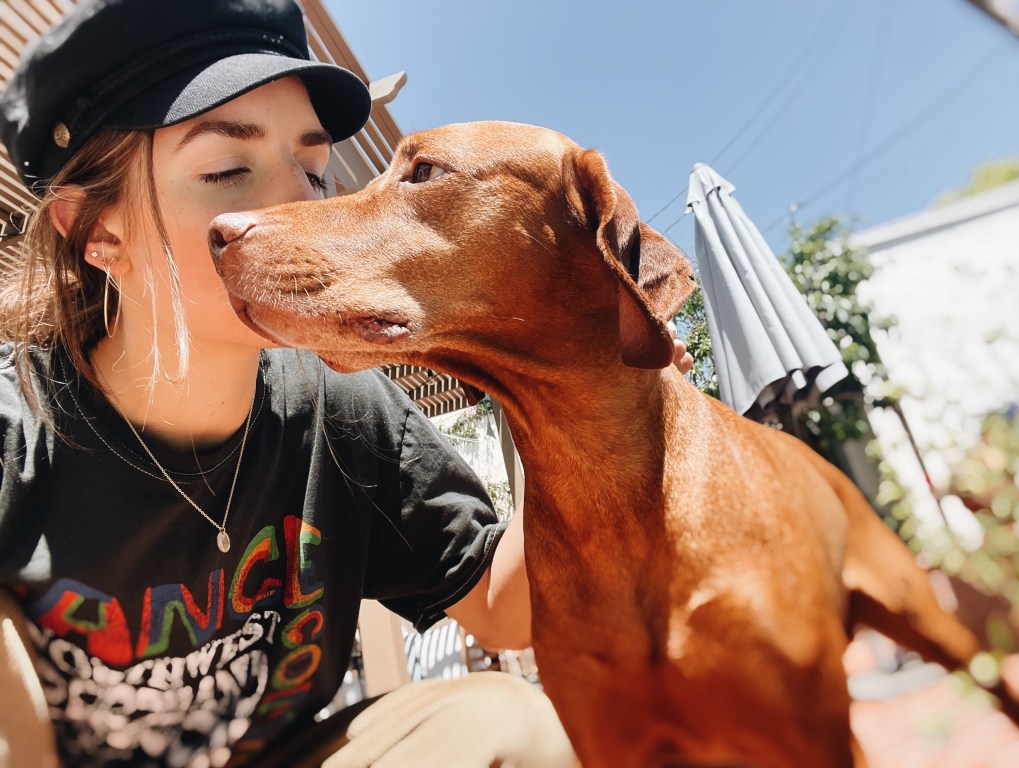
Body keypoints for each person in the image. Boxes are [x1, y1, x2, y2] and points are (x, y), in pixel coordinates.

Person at [0, 1, 692, 765]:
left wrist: (595, 408)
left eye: (314, 171)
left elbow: (507, 608)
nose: (301, 206)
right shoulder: (16, 430)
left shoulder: (343, 411)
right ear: (99, 232)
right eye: (227, 170)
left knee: (509, 723)